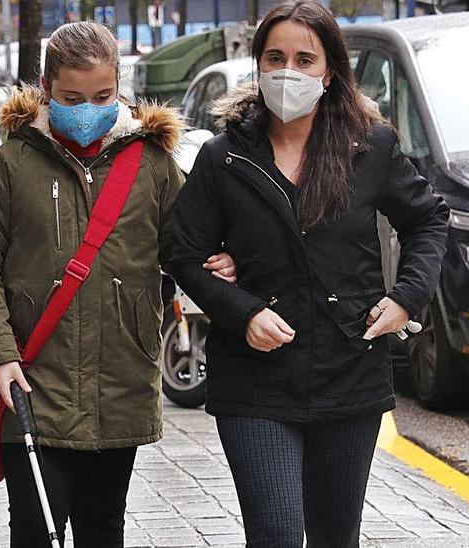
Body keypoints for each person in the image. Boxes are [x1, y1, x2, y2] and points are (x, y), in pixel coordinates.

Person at [163, 2, 449, 546]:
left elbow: (429, 219)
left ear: (330, 72)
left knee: (336, 536)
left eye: (303, 58)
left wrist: (407, 299)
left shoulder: (370, 146)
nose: (287, 71)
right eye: (274, 57)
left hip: (351, 372)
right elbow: (181, 253)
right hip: (256, 381)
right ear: (258, 65)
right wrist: (242, 312)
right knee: (275, 535)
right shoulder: (223, 158)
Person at [0, 21, 235, 547]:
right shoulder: (13, 164)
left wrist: (222, 264)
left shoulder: (150, 165)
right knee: (36, 531)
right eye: (71, 97)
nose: (87, 108)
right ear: (45, 88)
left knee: (103, 529)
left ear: (119, 86)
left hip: (118, 384)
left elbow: (187, 246)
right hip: (31, 381)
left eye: (102, 95)